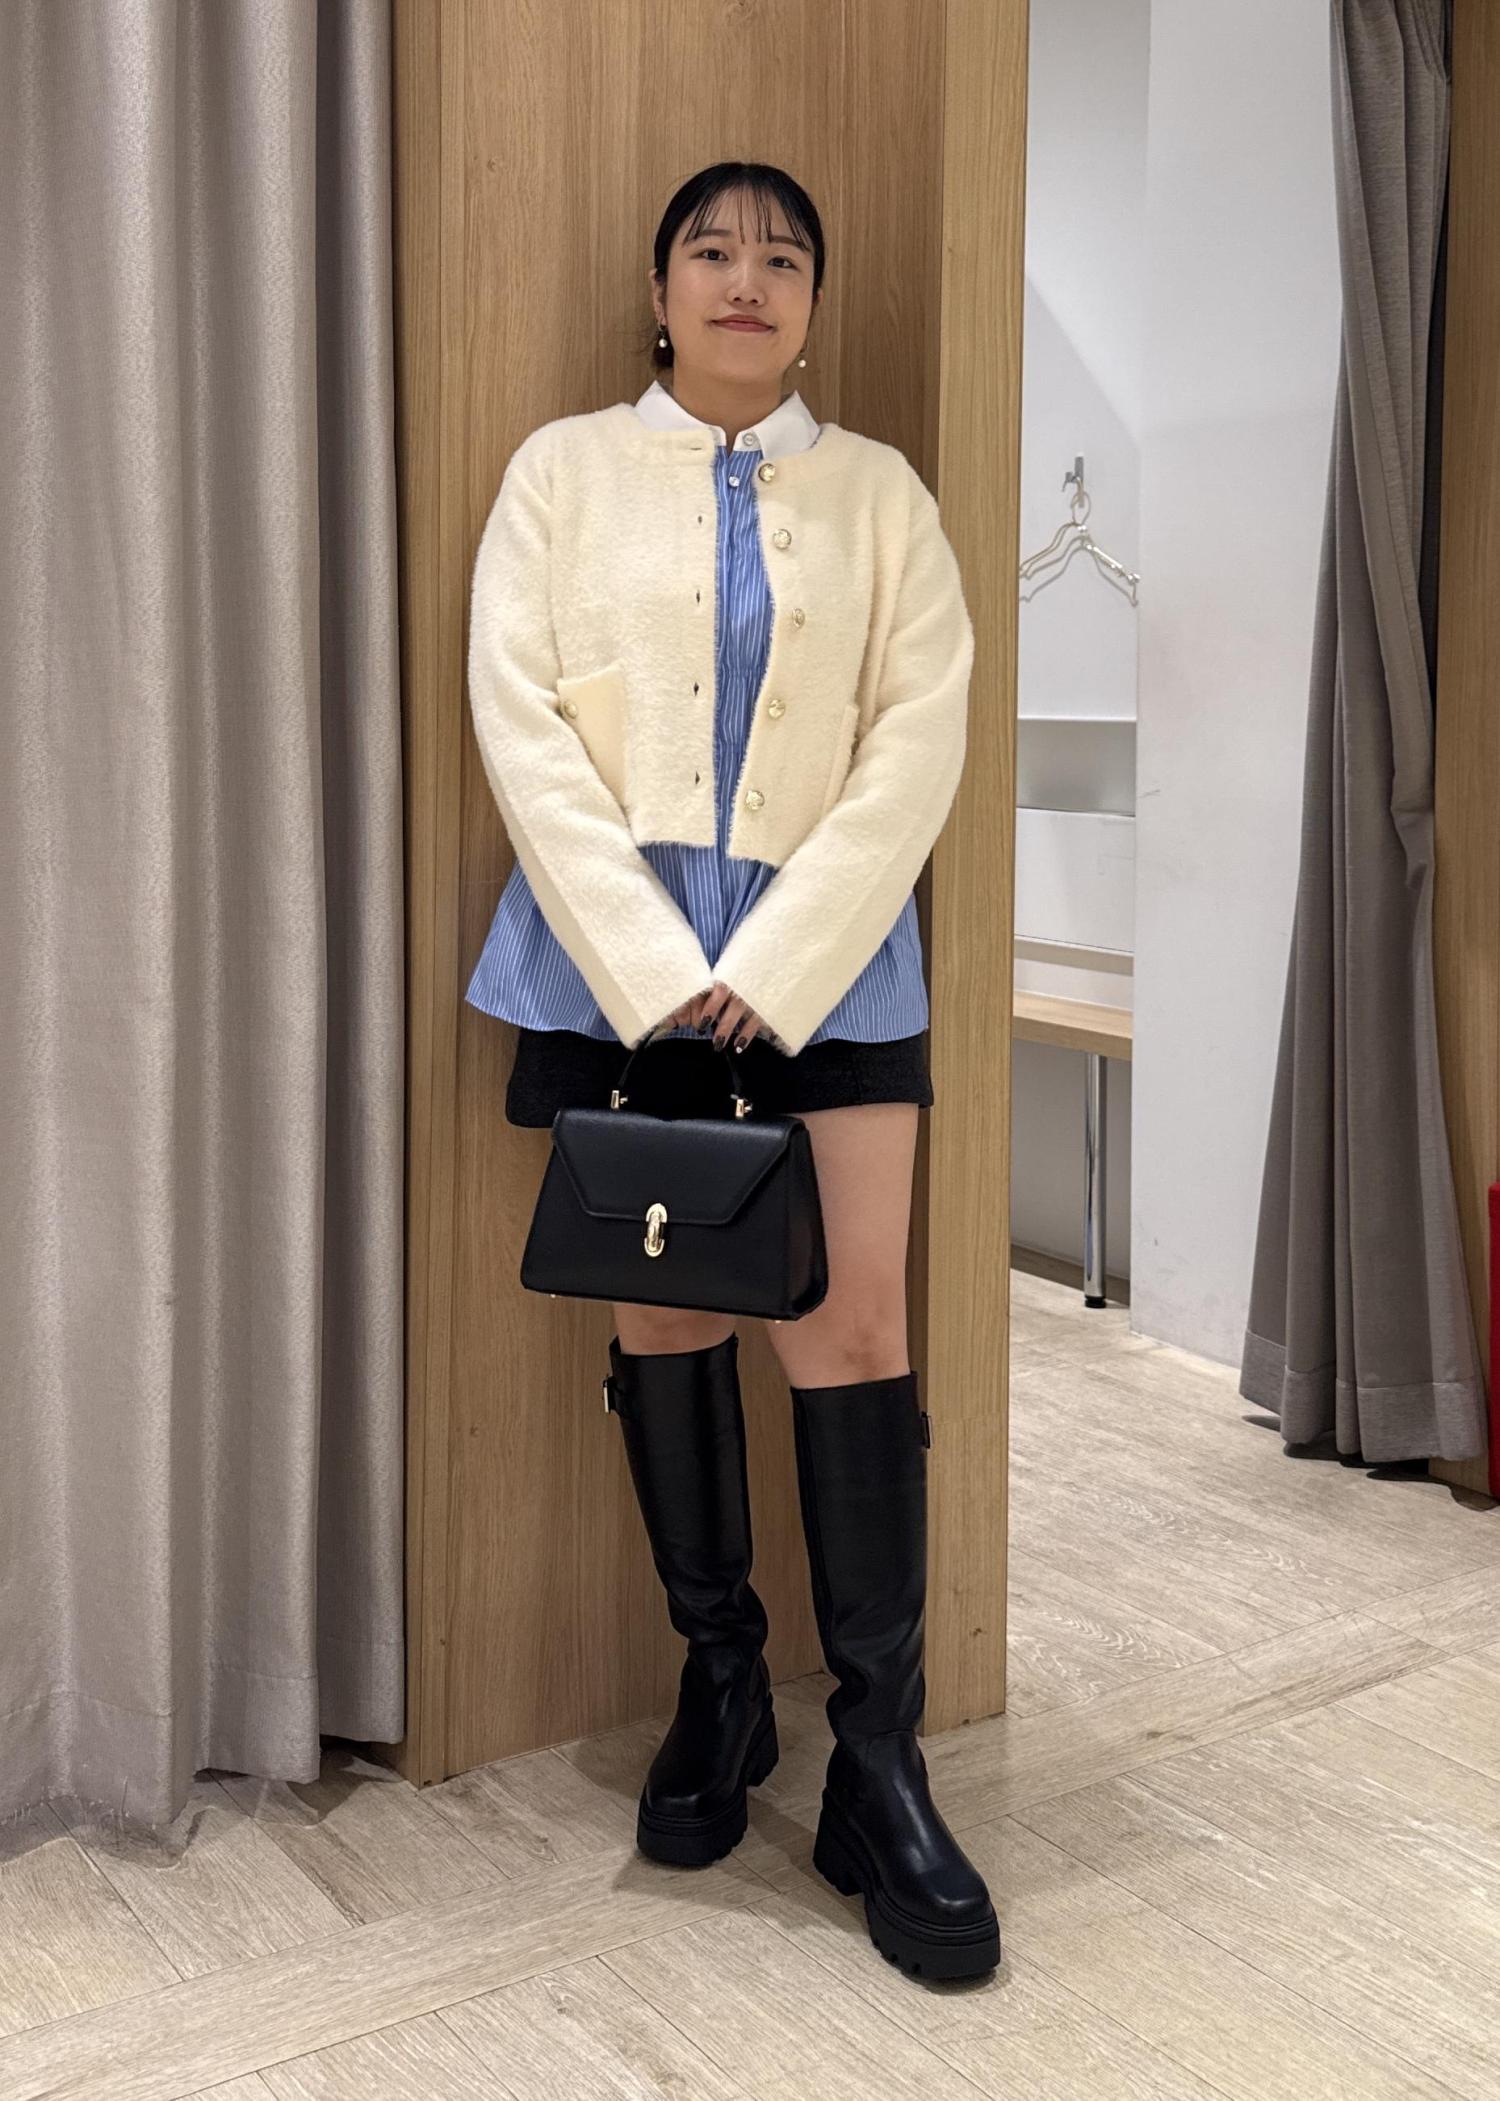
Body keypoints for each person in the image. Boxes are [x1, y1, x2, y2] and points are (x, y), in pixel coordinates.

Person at [465, 160, 999, 1981]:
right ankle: (721, 1684)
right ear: (661, 287)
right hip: (614, 960)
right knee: (669, 1312)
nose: (747, 278)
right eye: (713, 250)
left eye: (783, 255)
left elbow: (922, 735)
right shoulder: (560, 473)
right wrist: (654, 969)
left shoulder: (885, 497)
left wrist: (774, 968)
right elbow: (520, 720)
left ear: (814, 303)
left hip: (834, 970)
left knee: (855, 1325)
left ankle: (879, 1760)